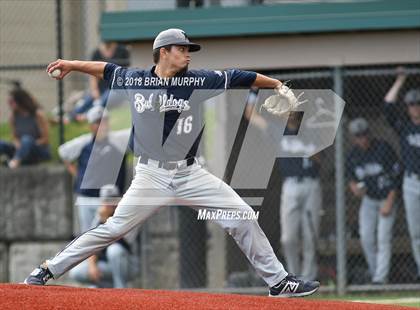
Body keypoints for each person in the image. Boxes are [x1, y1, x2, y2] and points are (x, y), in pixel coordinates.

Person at [24, 28, 320, 297]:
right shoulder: (135, 78)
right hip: (150, 176)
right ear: (163, 52)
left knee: (242, 215)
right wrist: (70, 64)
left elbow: (240, 76)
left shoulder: (198, 80)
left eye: (189, 50)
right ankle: (47, 269)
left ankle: (279, 282)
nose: (187, 54)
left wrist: (277, 84)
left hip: (191, 174)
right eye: (182, 49)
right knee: (113, 229)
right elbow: (105, 69)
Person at [244, 89, 322, 281]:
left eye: (295, 111)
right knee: (288, 238)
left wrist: (307, 147)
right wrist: (253, 92)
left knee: (310, 236)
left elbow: (321, 160)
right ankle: (294, 276)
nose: (291, 115)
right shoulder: (277, 131)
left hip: (311, 184)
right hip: (291, 185)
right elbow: (250, 115)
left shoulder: (311, 132)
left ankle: (309, 277)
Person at [58, 105, 129, 233]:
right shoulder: (83, 143)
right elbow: (63, 153)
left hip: (109, 199)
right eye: (97, 122)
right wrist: (78, 175)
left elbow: (139, 136)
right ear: (91, 126)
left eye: (104, 120)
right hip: (86, 197)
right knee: (86, 236)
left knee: (109, 236)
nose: (102, 125)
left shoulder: (118, 140)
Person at [346, 118, 400, 284]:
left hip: (386, 197)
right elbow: (350, 177)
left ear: (369, 133)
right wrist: (354, 187)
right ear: (353, 138)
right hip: (369, 200)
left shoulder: (384, 149)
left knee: (383, 238)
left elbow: (397, 177)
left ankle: (380, 279)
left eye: (364, 134)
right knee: (366, 237)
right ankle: (374, 271)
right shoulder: (353, 155)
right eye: (358, 136)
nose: (362, 139)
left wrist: (390, 201)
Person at [384, 68, 420, 282]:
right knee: (416, 231)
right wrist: (400, 79)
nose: (415, 108)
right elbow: (387, 106)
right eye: (411, 104)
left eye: (417, 104)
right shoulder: (405, 126)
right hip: (411, 181)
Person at [69, 184, 139, 288]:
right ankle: (104, 290)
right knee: (76, 272)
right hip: (107, 265)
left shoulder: (126, 215)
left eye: (112, 200)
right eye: (106, 201)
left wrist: (104, 219)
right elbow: (91, 244)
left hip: (128, 265)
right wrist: (92, 266)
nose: (109, 204)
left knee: (114, 250)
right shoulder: (100, 216)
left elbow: (121, 241)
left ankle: (121, 290)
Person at [70, 41, 130, 122]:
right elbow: (92, 74)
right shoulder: (96, 52)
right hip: (100, 87)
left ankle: (87, 115)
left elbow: (125, 73)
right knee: (88, 99)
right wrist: (94, 90)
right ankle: (71, 116)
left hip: (115, 88)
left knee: (103, 100)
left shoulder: (122, 50)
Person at [0, 88, 50, 168]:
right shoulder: (13, 117)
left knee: (26, 139)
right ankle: (14, 159)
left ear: (20, 101)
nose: (9, 105)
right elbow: (14, 137)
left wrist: (26, 144)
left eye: (11, 102)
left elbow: (45, 139)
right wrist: (17, 143)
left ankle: (14, 163)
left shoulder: (38, 115)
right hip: (20, 149)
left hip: (38, 149)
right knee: (1, 143)